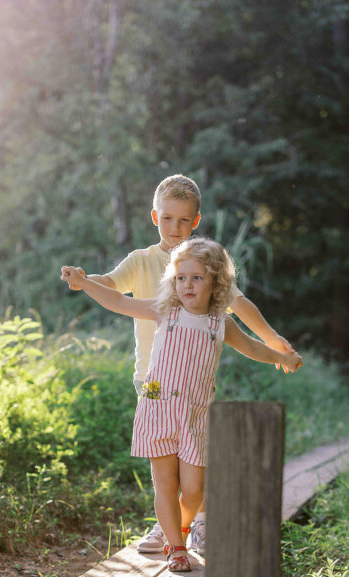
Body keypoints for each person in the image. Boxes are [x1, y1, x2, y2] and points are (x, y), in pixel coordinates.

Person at [60, 173, 296, 556]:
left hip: (196, 382)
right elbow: (113, 287)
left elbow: (240, 306)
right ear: (155, 217)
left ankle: (197, 521)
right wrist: (85, 280)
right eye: (168, 218)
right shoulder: (142, 261)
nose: (175, 228)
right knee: (165, 462)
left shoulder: (202, 262)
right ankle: (170, 529)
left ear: (196, 221)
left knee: (194, 453)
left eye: (184, 220)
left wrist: (271, 339)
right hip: (151, 380)